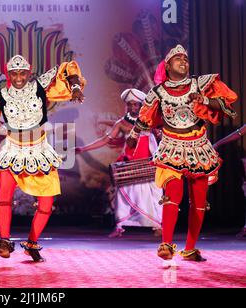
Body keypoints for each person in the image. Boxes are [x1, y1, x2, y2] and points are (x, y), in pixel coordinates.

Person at [0, 55, 85, 262]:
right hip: (12, 151)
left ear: (28, 73)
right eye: (13, 73)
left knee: (46, 204)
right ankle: (4, 242)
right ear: (8, 74)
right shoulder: (0, 95)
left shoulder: (39, 85)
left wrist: (74, 87)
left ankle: (32, 242)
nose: (18, 77)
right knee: (3, 198)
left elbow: (66, 67)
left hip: (39, 151)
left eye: (22, 73)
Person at [126, 45, 237, 262]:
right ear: (167, 66)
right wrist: (133, 134)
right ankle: (166, 244)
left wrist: (203, 100)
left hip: (198, 146)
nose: (183, 62)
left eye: (185, 59)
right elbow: (145, 116)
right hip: (171, 145)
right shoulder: (157, 91)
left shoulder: (200, 83)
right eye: (178, 59)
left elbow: (225, 104)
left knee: (199, 200)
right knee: (173, 194)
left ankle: (190, 248)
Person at [77, 89, 162, 238]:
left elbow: (161, 138)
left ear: (142, 105)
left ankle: (157, 226)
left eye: (136, 105)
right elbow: (105, 140)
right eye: (130, 105)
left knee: (154, 195)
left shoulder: (151, 120)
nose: (133, 107)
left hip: (149, 163)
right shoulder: (122, 123)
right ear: (126, 106)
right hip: (130, 164)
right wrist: (84, 148)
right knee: (122, 197)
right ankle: (120, 226)